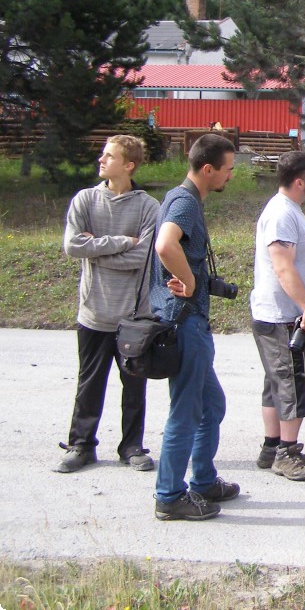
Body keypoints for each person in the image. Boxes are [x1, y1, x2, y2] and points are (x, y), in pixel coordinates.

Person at [57, 135, 159, 474]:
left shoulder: (148, 207)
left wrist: (97, 251)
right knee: (89, 383)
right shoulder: (85, 200)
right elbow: (73, 246)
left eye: (109, 155)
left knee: (134, 385)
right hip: (94, 313)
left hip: (132, 318)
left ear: (128, 165)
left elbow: (142, 256)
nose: (101, 160)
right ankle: (81, 445)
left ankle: (131, 446)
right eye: (103, 154)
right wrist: (119, 242)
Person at [151, 133, 239, 521]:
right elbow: (165, 245)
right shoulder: (185, 201)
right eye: (228, 169)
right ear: (208, 169)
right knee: (186, 411)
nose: (230, 177)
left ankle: (202, 480)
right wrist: (187, 281)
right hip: (185, 322)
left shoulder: (178, 195)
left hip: (189, 320)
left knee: (212, 405)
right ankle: (169, 496)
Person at [250, 151, 305, 482]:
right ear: (299, 182)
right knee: (293, 382)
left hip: (282, 314)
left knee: (276, 382)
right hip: (283, 316)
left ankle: (272, 446)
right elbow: (282, 265)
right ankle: (286, 453)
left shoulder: (290, 211)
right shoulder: (281, 213)